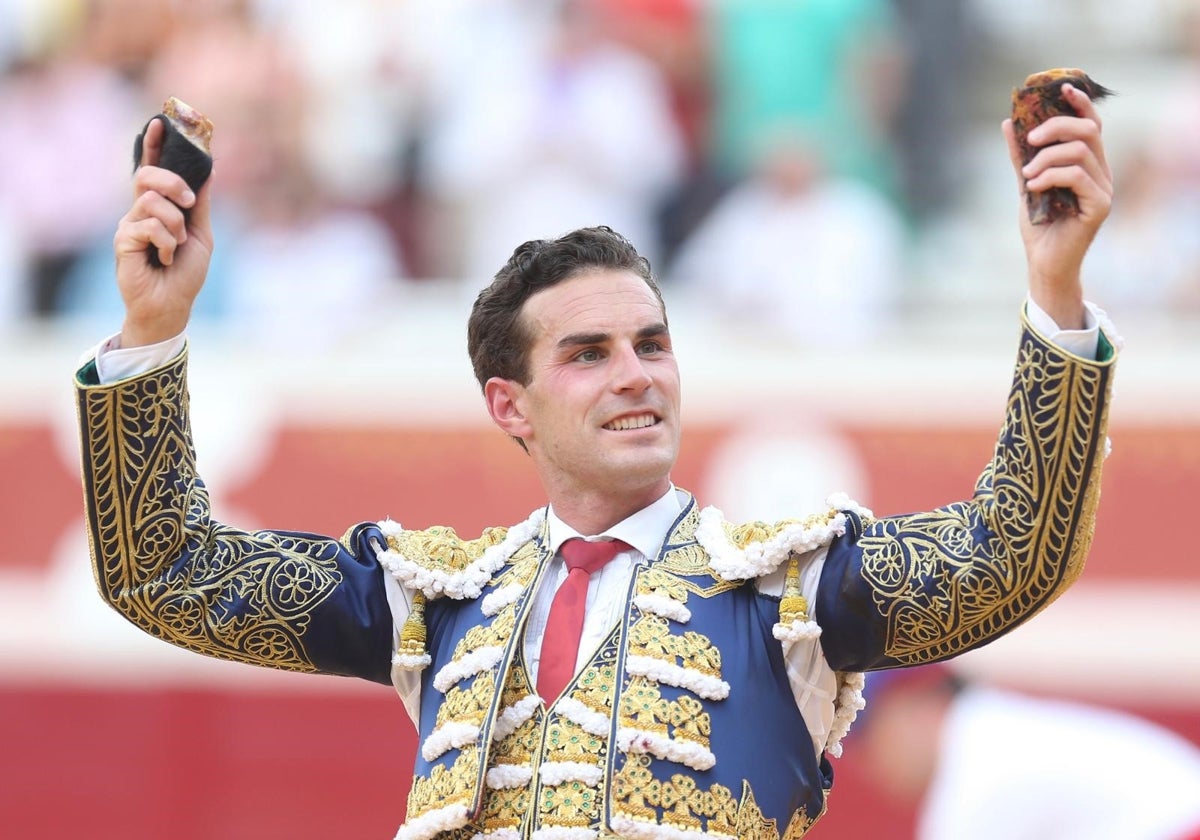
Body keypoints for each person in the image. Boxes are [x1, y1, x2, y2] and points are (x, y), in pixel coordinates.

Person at [75, 83, 1118, 839]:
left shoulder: (787, 590)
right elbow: (168, 572)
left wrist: (1058, 297)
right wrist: (151, 328)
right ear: (509, 405)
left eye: (652, 345)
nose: (637, 375)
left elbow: (1009, 554)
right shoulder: (438, 601)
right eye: (588, 354)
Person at [855, 665, 1200, 840]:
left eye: (870, 734)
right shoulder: (993, 729)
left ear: (918, 705)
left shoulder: (978, 763)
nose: (870, 763)